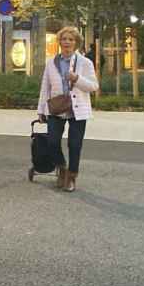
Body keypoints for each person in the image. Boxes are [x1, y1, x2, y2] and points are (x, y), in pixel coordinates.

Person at [37, 26, 99, 192]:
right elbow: (45, 87)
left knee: (75, 144)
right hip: (56, 108)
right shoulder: (51, 62)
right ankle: (62, 169)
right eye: (64, 39)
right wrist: (41, 110)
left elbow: (94, 86)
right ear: (59, 42)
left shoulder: (85, 63)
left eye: (70, 39)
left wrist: (76, 78)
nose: (67, 42)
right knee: (52, 142)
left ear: (76, 43)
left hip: (78, 110)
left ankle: (71, 177)